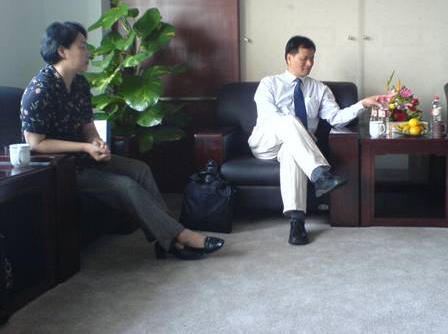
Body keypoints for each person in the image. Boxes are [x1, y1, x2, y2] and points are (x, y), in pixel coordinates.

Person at [20, 21, 224, 260]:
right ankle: (180, 237)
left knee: (140, 169)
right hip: (61, 168)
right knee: (124, 185)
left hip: (84, 157)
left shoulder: (79, 84)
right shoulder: (39, 90)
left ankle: (167, 240)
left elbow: (87, 125)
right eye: (82, 46)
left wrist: (97, 143)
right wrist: (85, 147)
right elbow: (37, 144)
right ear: (62, 51)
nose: (89, 52)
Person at [248, 35, 384, 245]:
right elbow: (269, 117)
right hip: (266, 142)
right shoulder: (269, 83)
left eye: (312, 58)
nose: (310, 63)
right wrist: (300, 130)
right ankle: (320, 175)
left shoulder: (319, 89)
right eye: (304, 58)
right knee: (289, 121)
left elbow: (336, 119)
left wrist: (362, 104)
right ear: (289, 58)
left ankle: (297, 222)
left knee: (292, 152)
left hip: (296, 148)